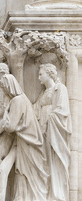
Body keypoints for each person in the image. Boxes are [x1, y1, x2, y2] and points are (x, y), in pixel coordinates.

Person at [0, 72, 48, 201]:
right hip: (25, 141)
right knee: (23, 172)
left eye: (4, 87)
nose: (3, 90)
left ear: (9, 86)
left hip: (27, 142)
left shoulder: (17, 101)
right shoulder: (22, 99)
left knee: (25, 172)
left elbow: (11, 127)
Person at [34, 64, 71, 201]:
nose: (38, 78)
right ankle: (44, 191)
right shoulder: (43, 93)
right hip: (42, 130)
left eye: (41, 74)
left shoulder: (60, 89)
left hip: (53, 131)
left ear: (49, 73)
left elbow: (62, 110)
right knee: (43, 161)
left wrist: (49, 121)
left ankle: (55, 194)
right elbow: (36, 108)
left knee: (53, 160)